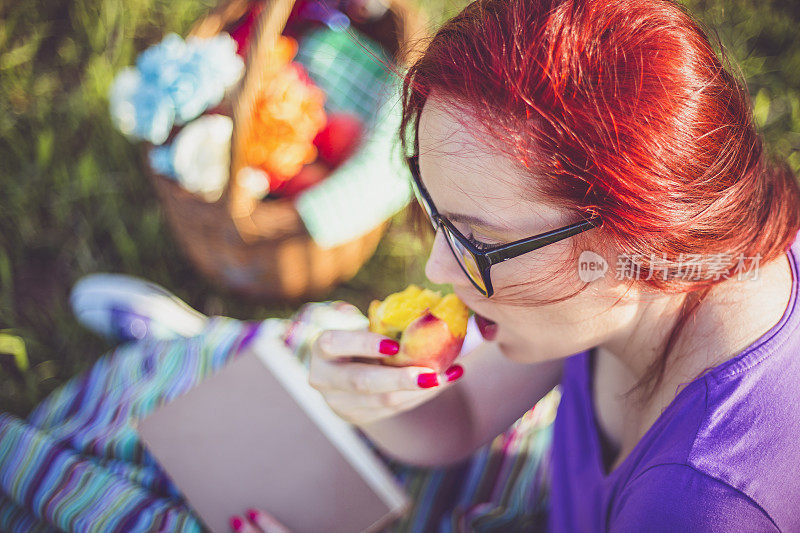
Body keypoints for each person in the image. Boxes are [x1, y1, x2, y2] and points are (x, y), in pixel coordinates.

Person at [233, 0, 800, 529]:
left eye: (477, 240)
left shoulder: (704, 504)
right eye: (435, 210)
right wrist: (370, 398)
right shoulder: (611, 290)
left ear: (642, 242)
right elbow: (462, 415)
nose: (436, 268)